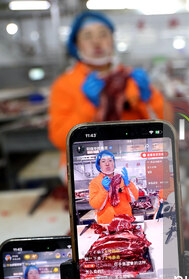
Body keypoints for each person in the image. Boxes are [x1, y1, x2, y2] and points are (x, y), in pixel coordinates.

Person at [48, 11, 173, 180]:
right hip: (83, 168)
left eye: (103, 34)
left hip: (135, 164)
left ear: (113, 40)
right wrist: (88, 106)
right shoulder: (64, 85)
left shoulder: (131, 78)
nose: (96, 42)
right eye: (87, 36)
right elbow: (59, 138)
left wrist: (148, 97)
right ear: (76, 45)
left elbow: (168, 124)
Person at [89, 150, 138, 224]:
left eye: (110, 160)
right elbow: (96, 205)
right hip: (106, 223)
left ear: (114, 163)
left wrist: (128, 184)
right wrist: (104, 190)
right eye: (103, 161)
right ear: (99, 165)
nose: (107, 164)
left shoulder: (121, 179)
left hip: (125, 221)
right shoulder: (95, 182)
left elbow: (134, 198)